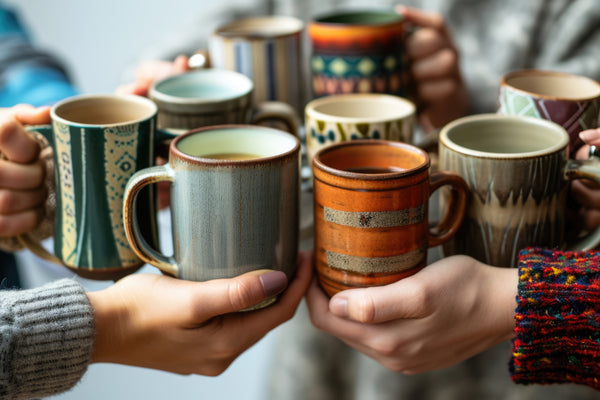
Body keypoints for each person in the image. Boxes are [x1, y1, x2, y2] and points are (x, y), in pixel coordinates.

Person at [118, 0, 600, 397]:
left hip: (529, 378)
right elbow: (176, 70)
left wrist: (516, 302)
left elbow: (573, 179)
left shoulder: (571, 12)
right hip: (324, 367)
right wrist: (161, 126)